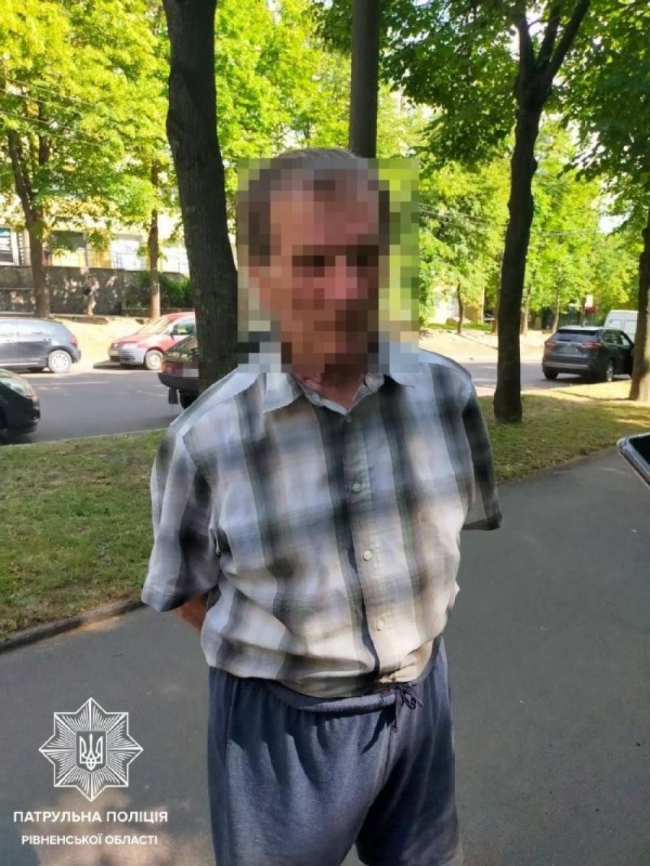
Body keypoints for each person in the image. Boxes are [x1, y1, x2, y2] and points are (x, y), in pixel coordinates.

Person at [141, 147, 502, 866]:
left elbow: (447, 536)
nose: (345, 289)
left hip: (421, 698)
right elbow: (187, 594)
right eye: (312, 262)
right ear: (260, 275)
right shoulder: (206, 438)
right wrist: (297, 653)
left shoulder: (447, 395)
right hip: (282, 726)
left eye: (364, 257)